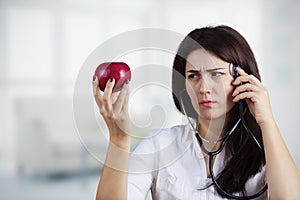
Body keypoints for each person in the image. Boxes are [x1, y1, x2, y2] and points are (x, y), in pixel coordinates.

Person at [93, 25, 300, 199]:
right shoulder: (160, 144)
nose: (203, 88)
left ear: (242, 79)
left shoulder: (266, 150)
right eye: (193, 76)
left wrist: (267, 121)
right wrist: (119, 140)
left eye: (216, 73)